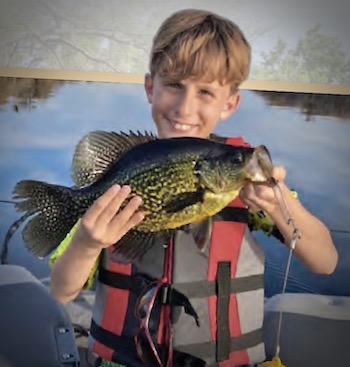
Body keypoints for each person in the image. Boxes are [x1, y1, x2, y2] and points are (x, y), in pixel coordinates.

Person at [50, 8, 338, 367]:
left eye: (205, 92)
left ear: (229, 103)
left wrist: (278, 206)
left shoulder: (249, 186)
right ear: (149, 88)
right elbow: (61, 290)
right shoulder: (126, 167)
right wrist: (87, 241)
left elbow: (325, 261)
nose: (185, 107)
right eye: (173, 85)